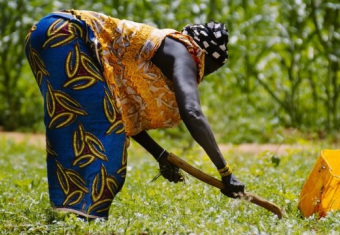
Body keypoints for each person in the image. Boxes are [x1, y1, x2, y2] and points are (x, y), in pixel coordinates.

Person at [24, 9, 245, 220]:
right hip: (66, 35)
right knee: (108, 137)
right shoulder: (186, 52)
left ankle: (73, 212)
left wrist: (161, 155)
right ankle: (86, 216)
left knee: (75, 129)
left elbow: (123, 115)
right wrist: (225, 172)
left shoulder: (159, 51)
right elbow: (192, 112)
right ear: (204, 55)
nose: (202, 75)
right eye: (210, 69)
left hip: (45, 32)